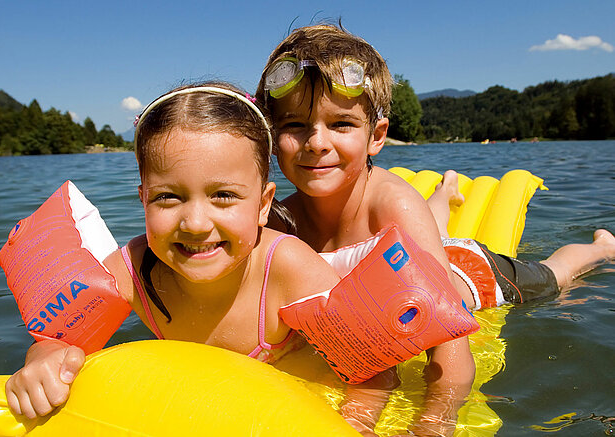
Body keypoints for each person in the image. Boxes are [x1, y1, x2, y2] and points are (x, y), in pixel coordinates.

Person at [4, 82, 344, 420]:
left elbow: (373, 371)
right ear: (143, 200)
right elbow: (62, 338)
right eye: (167, 197)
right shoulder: (133, 270)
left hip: (297, 406)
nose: (195, 224)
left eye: (223, 195)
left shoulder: (288, 269)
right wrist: (44, 359)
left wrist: (357, 420)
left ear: (263, 204)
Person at [255, 24, 476, 436]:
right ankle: (445, 194)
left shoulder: (394, 205)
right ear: (272, 137)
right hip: (375, 290)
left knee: (550, 274)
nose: (316, 142)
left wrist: (434, 424)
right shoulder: (280, 220)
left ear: (376, 136)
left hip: (473, 277)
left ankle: (595, 249)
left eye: (340, 124)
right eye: (295, 125)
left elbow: (452, 342)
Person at [429, 170, 615, 309]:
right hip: (432, 252)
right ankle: (445, 190)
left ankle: (604, 247)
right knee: (432, 230)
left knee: (558, 272)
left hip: (477, 276)